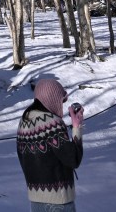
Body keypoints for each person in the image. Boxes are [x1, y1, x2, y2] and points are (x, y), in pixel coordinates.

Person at [17, 79, 84, 211]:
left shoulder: (24, 122)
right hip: (58, 199)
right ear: (52, 99)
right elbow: (73, 159)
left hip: (35, 199)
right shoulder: (52, 123)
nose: (62, 105)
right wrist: (77, 127)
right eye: (61, 100)